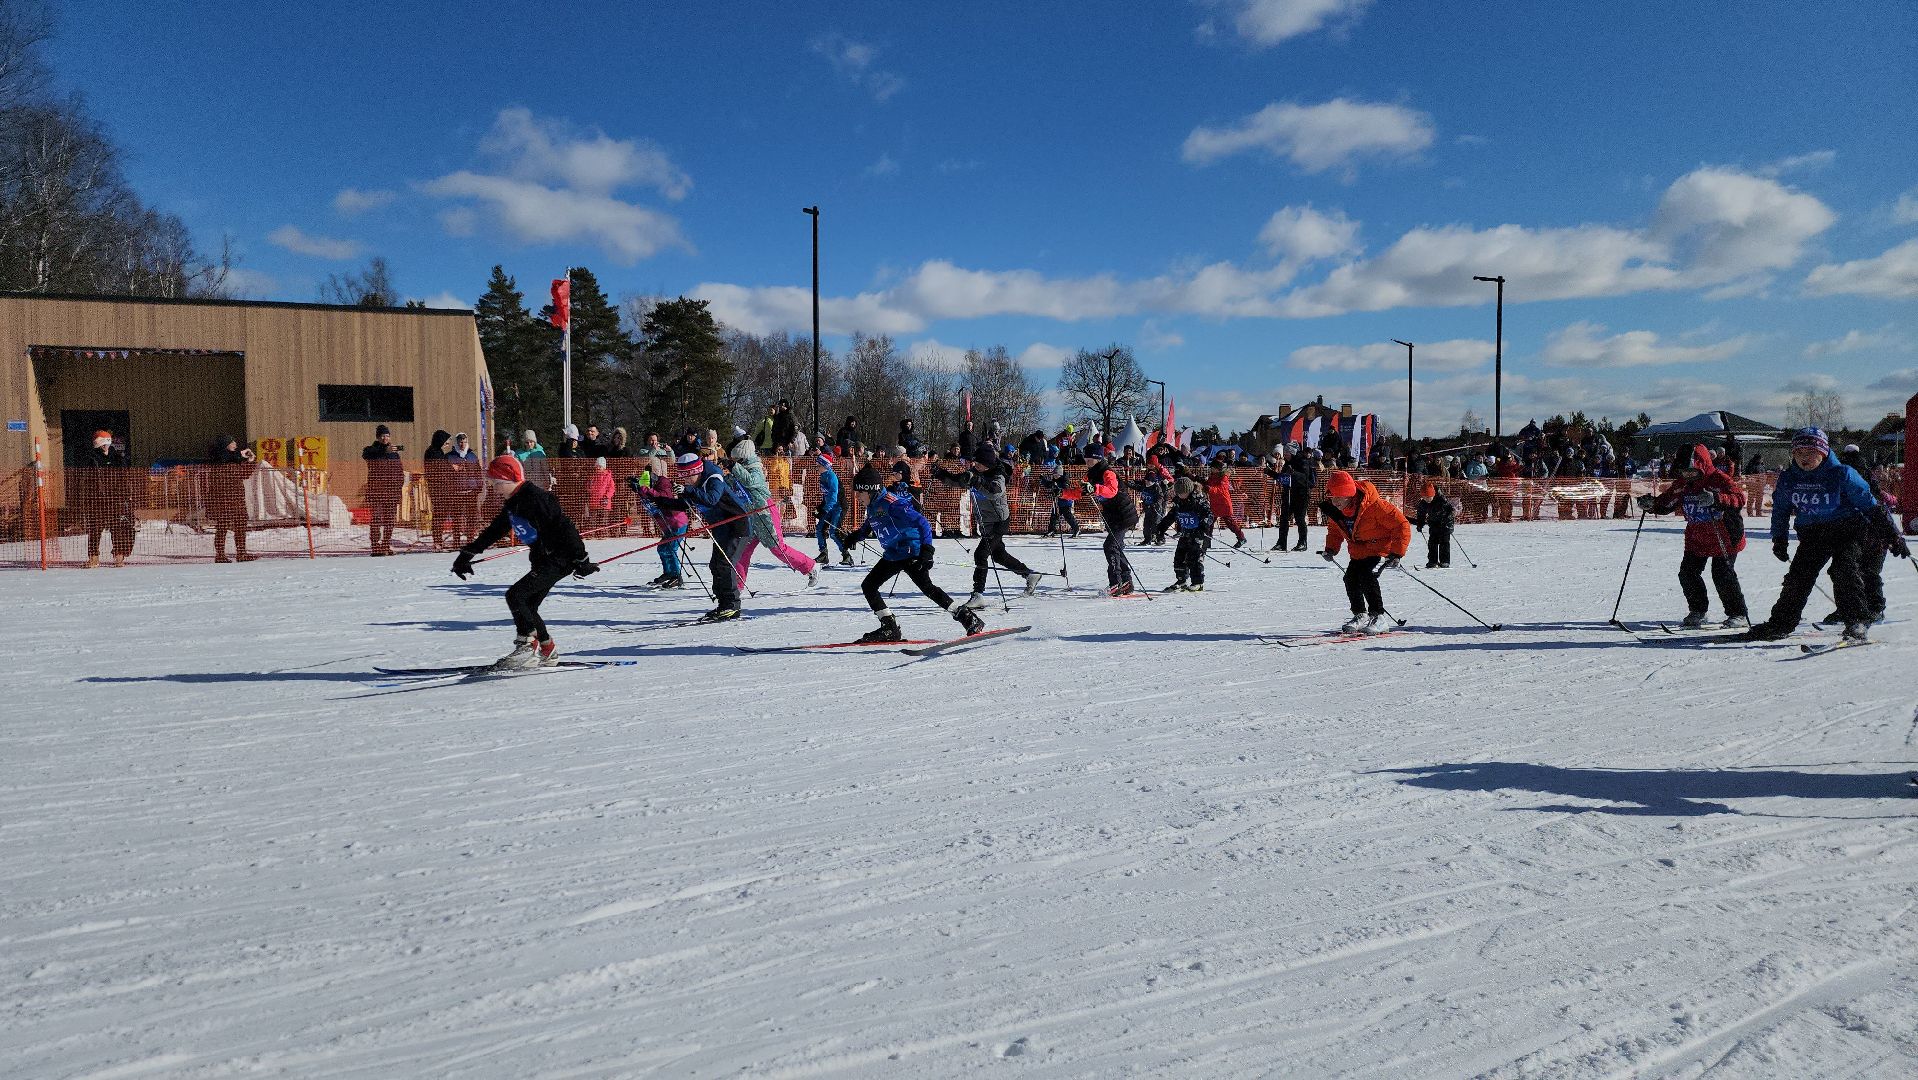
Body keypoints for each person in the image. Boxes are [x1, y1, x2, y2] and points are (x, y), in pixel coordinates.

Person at [1735, 428, 1894, 642]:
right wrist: (1779, 538)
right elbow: (1781, 508)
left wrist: (1891, 534)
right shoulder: (1790, 478)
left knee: (1843, 570)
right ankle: (1781, 623)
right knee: (1798, 577)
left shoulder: (1842, 473)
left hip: (1847, 531)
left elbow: (1869, 503)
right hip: (1813, 534)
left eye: (1810, 452)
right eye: (1798, 453)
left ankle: (1856, 621)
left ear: (1823, 452)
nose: (1804, 458)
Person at [452, 454, 597, 671]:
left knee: (515, 595)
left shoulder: (535, 498)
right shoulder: (513, 503)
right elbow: (494, 531)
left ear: (507, 479)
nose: (493, 487)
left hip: (559, 558)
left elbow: (564, 526)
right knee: (527, 605)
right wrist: (466, 556)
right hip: (543, 559)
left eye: (495, 483)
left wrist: (581, 558)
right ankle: (548, 650)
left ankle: (527, 647)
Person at [843, 460, 985, 643]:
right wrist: (857, 535)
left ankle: (968, 618)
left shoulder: (893, 504)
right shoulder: (872, 505)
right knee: (869, 586)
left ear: (871, 490)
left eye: (860, 492)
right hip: (893, 554)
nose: (857, 497)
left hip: (911, 551)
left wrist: (927, 550)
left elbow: (923, 523)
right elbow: (872, 522)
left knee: (928, 589)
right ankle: (889, 628)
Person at [1635, 443, 1750, 628]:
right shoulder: (1682, 485)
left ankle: (1738, 614)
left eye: (1691, 471)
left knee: (1722, 574)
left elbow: (1739, 499)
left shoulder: (1719, 479)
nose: (1688, 475)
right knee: (1687, 574)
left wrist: (1717, 499)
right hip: (1697, 537)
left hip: (1724, 535)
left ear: (1701, 465)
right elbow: (1668, 501)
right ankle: (1698, 610)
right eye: (1684, 471)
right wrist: (1652, 504)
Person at [933, 442, 1037, 610]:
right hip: (987, 522)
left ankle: (978, 594)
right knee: (999, 555)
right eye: (975, 463)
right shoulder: (976, 472)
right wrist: (940, 474)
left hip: (999, 522)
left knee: (981, 554)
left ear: (987, 463)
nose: (975, 465)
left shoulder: (999, 475)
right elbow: (958, 481)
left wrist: (977, 480)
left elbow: (994, 492)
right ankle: (1029, 575)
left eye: (979, 463)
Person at [1318, 469, 1411, 635]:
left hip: (1380, 549)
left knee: (1367, 576)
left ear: (1350, 494)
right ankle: (1360, 615)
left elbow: (1401, 525)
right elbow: (1335, 530)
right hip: (1359, 551)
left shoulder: (1375, 506)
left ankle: (1378, 617)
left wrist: (1397, 553)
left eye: (1339, 498)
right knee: (1350, 578)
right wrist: (1331, 549)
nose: (1335, 502)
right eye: (1332, 498)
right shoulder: (1336, 511)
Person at [1825, 443, 1906, 626]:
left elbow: (1876, 503)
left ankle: (1873, 608)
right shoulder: (1855, 469)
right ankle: (1855, 608)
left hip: (1871, 530)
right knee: (1856, 572)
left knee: (1861, 572)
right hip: (1859, 530)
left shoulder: (1847, 469)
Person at [726, 435, 817, 589]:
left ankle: (811, 567)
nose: (732, 460)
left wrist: (734, 468)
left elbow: (751, 481)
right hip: (750, 516)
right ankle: (737, 587)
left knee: (778, 548)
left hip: (764, 513)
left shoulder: (755, 466)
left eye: (733, 458)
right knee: (742, 551)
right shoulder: (738, 469)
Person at [678, 448, 753, 622]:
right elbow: (681, 505)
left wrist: (687, 490)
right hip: (721, 529)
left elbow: (711, 498)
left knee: (725, 565)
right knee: (716, 565)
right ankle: (723, 604)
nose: (686, 481)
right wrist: (651, 495)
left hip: (737, 527)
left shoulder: (714, 478)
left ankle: (732, 606)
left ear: (696, 472)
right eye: (683, 477)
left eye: (688, 476)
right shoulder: (695, 485)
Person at [627, 451, 688, 588]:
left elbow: (663, 498)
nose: (648, 475)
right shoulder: (650, 481)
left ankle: (677, 576)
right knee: (662, 548)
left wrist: (644, 489)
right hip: (666, 524)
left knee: (670, 549)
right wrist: (636, 487)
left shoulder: (664, 482)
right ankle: (668, 572)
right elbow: (646, 493)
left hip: (677, 522)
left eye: (650, 471)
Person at [75, 429, 136, 567]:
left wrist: (127, 495)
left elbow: (125, 478)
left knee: (118, 529)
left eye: (107, 442)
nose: (105, 446)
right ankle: (93, 557)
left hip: (116, 500)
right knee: (94, 530)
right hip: (96, 501)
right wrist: (85, 498)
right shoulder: (91, 459)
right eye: (102, 443)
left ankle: (119, 556)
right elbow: (84, 480)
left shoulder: (118, 459)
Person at [1084, 459, 1141, 595]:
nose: (1086, 461)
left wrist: (1095, 488)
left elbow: (1111, 491)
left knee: (1110, 546)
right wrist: (1062, 493)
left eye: (1089, 458)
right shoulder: (1091, 475)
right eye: (1085, 458)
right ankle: (1126, 581)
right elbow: (1079, 490)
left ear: (1097, 458)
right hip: (1113, 518)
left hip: (1123, 515)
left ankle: (1116, 583)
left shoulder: (1108, 472)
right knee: (1116, 547)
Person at [1157, 475, 1213, 592]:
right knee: (1179, 557)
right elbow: (1171, 516)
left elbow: (1209, 515)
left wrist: (1203, 526)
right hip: (1186, 533)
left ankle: (1197, 582)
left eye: (1182, 493)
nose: (1180, 495)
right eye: (1178, 493)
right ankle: (1181, 580)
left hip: (1199, 535)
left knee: (1195, 558)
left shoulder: (1199, 500)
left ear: (1189, 490)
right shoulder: (1178, 502)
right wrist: (1161, 528)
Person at [207, 434, 257, 562]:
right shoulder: (220, 459)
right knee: (223, 527)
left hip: (236, 499)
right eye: (232, 442)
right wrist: (242, 457)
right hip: (226, 500)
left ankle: (240, 553)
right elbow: (239, 473)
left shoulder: (232, 459)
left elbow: (244, 474)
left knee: (238, 526)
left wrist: (250, 462)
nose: (235, 443)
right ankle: (222, 555)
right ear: (226, 444)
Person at [362, 424, 405, 556]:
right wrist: (383, 451)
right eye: (382, 436)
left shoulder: (394, 454)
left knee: (389, 520)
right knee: (376, 519)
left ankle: (386, 545)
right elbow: (366, 454)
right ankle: (375, 546)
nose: (385, 438)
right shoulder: (371, 450)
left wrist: (399, 484)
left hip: (392, 492)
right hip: (377, 492)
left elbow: (399, 471)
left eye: (387, 435)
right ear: (378, 437)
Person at [812, 449, 853, 566]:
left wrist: (824, 510)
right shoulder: (822, 476)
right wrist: (819, 508)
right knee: (820, 528)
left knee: (833, 531)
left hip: (839, 507)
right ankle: (823, 554)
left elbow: (834, 497)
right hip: (830, 506)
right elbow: (826, 496)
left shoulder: (831, 477)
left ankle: (846, 555)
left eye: (818, 465)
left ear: (825, 465)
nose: (817, 467)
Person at [446, 432, 482, 544]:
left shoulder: (472, 456)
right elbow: (445, 474)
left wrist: (479, 487)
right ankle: (456, 541)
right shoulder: (449, 456)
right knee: (457, 519)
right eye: (460, 442)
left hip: (471, 492)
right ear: (457, 443)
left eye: (464, 442)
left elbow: (478, 473)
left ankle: (470, 540)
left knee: (471, 517)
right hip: (456, 492)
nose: (462, 444)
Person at [1278, 445, 1316, 551]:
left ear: (1292, 453)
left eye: (1287, 453)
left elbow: (1305, 479)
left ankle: (1303, 542)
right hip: (1289, 495)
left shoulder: (1302, 462)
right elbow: (1283, 478)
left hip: (1301, 495)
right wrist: (1272, 474)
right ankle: (1281, 543)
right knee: (1284, 519)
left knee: (1299, 518)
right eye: (1284, 453)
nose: (1285, 455)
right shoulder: (1287, 464)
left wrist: (1294, 473)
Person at [423, 429, 457, 549]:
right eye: (446, 441)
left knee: (441, 516)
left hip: (443, 489)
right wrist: (452, 468)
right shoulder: (433, 452)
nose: (447, 443)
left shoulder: (438, 452)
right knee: (439, 515)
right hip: (438, 489)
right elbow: (439, 470)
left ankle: (438, 540)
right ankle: (437, 541)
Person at [1204, 458, 1247, 549]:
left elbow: (1221, 489)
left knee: (1230, 523)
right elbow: (1207, 484)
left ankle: (1241, 538)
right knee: (1209, 524)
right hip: (1215, 504)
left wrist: (1210, 489)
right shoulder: (1212, 476)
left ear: (1217, 469)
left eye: (1212, 468)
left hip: (1224, 504)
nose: (1211, 469)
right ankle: (1207, 541)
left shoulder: (1224, 477)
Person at [1412, 483, 1457, 570]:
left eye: (1429, 498)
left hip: (1445, 524)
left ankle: (1445, 561)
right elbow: (1421, 514)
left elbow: (1450, 513)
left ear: (1433, 495)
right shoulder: (1423, 503)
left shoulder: (1442, 500)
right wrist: (1420, 524)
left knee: (1444, 542)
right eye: (1425, 498)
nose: (1427, 500)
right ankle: (1432, 561)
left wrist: (1449, 526)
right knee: (1432, 542)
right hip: (1434, 523)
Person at [1039, 448, 1079, 537]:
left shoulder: (1064, 480)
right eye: (1054, 475)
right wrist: (1043, 480)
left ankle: (1076, 528)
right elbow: (1050, 485)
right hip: (1058, 502)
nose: (1055, 476)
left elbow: (1065, 489)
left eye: (1056, 475)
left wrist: (1057, 489)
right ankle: (1051, 530)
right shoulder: (1055, 479)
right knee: (1054, 516)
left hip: (1066, 501)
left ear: (1060, 474)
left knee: (1068, 516)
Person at [585, 456, 617, 531]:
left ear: (604, 467)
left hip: (604, 503)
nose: (598, 468)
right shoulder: (593, 476)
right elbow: (589, 488)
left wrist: (607, 497)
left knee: (603, 520)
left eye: (600, 466)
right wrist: (589, 486)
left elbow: (612, 488)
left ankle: (602, 533)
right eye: (597, 466)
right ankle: (592, 533)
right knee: (593, 520)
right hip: (594, 502)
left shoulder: (608, 477)